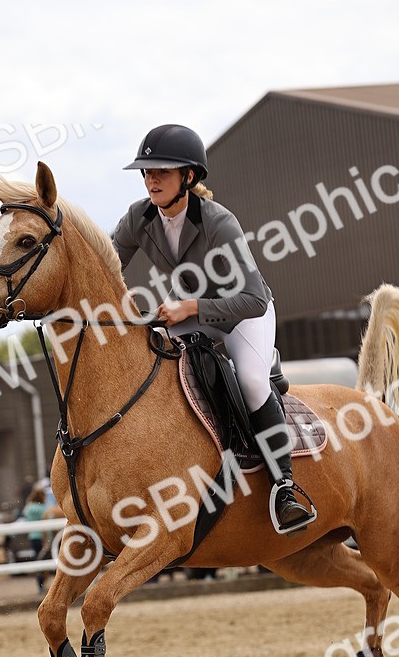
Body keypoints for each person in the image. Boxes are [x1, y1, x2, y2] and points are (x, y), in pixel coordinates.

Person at [112, 123, 316, 535]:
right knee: (158, 369)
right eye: (147, 172)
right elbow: (107, 264)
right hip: (188, 311)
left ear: (188, 176)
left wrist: (190, 307)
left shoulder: (219, 222)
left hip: (243, 316)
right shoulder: (139, 217)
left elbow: (252, 298)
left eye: (162, 171)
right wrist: (115, 299)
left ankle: (284, 488)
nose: (151, 179)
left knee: (252, 382)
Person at [21, 487, 48, 592]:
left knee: (38, 559)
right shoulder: (41, 507)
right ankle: (44, 581)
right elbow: (46, 518)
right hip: (42, 537)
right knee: (45, 560)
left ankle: (39, 584)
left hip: (33, 537)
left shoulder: (28, 507)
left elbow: (25, 518)